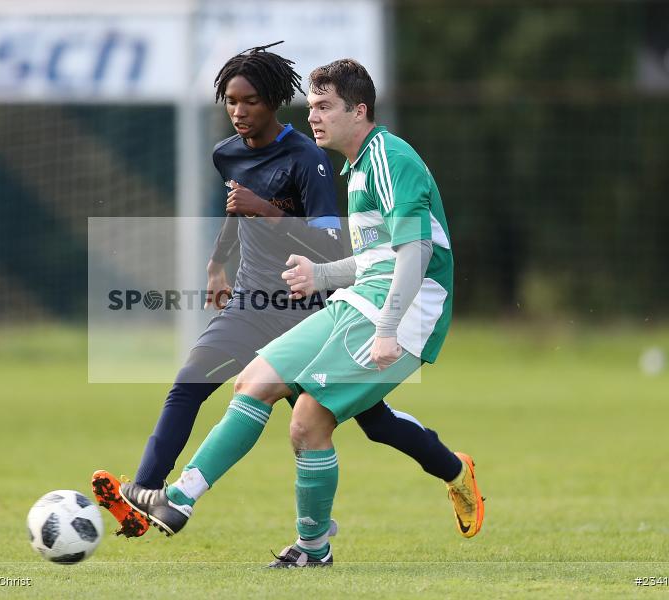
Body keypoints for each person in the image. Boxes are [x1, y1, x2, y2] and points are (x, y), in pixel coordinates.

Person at [120, 58, 484, 567]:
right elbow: (375, 258)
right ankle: (180, 498)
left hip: (406, 312)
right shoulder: (355, 169)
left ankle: (305, 545)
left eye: (325, 107)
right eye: (311, 106)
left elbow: (415, 255)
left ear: (359, 111)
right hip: (355, 299)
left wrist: (385, 329)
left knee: (310, 421)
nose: (314, 117)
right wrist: (323, 276)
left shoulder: (388, 159)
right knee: (253, 381)